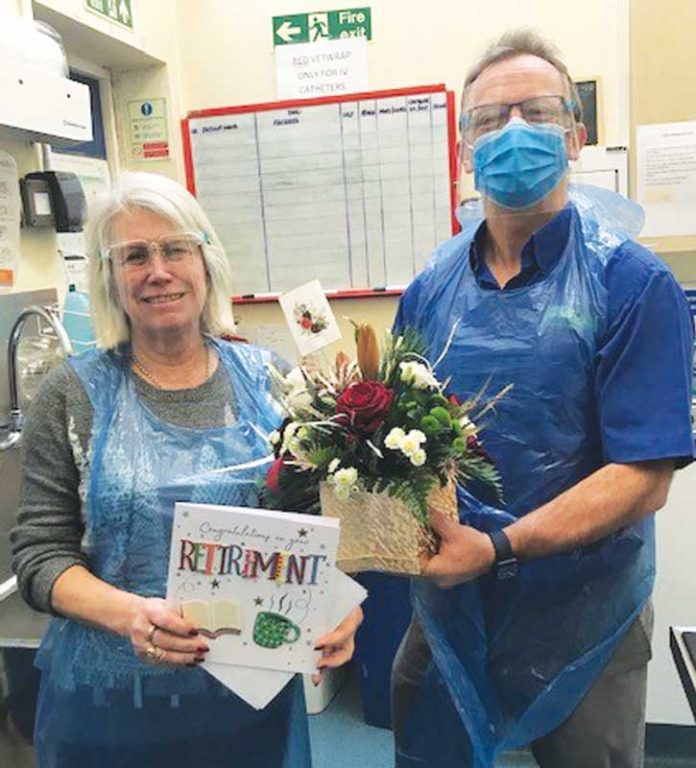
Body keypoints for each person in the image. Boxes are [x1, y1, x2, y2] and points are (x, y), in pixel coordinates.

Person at [392, 29, 694, 768]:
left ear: (576, 135)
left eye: (536, 112)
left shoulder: (630, 283)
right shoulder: (431, 290)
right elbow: (395, 437)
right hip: (451, 604)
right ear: (465, 147)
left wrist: (496, 547)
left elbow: (643, 477)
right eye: (490, 120)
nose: (513, 133)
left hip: (583, 615)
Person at [11, 171, 362, 767]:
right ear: (110, 278)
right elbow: (40, 556)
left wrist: (341, 609)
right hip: (109, 707)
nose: (158, 270)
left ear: (205, 261)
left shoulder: (272, 383)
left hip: (248, 698)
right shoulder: (70, 396)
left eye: (175, 248)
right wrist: (130, 616)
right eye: (134, 256)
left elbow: (315, 525)